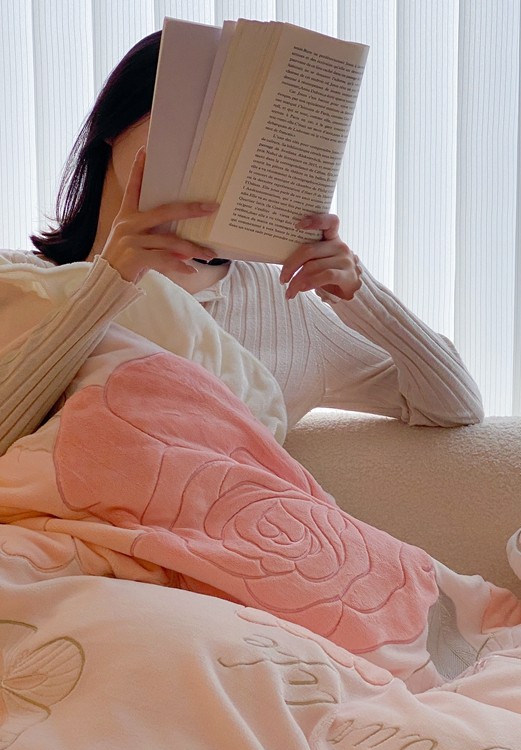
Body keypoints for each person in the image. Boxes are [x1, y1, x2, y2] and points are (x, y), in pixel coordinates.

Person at [0, 30, 482, 456]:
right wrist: (108, 283)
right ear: (115, 122)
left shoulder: (284, 304)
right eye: (191, 121)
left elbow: (455, 405)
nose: (208, 153)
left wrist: (360, 293)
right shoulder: (22, 283)